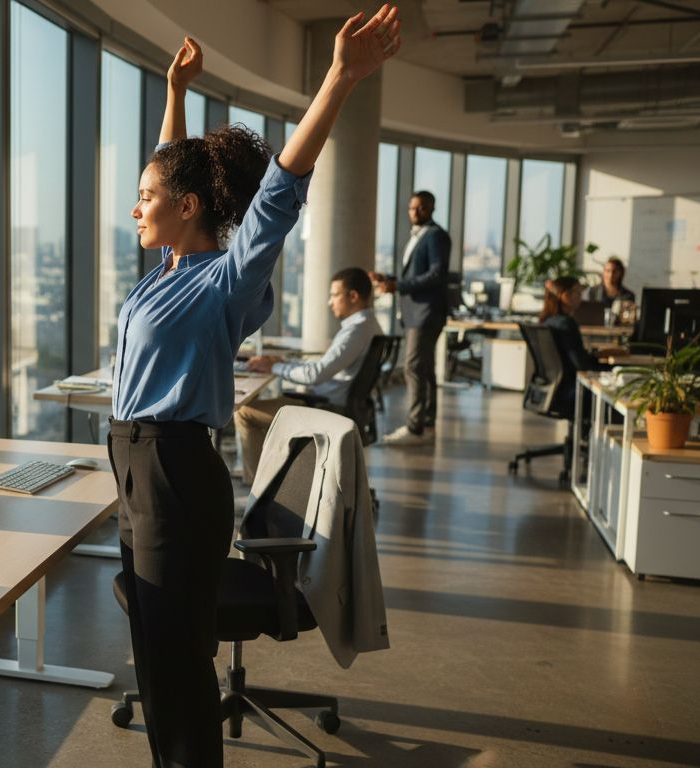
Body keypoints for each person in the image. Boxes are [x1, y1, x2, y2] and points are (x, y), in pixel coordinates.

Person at [107, 7, 400, 766]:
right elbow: (176, 164)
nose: (135, 206)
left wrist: (338, 76)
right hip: (136, 470)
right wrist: (176, 91)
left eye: (146, 196)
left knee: (176, 672)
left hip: (175, 475)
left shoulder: (223, 284)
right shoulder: (169, 269)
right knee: (155, 653)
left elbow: (278, 194)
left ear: (188, 209)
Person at [234, 267, 381, 483]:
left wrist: (273, 368)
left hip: (325, 408)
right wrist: (283, 363)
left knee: (245, 413)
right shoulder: (369, 326)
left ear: (353, 296)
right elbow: (323, 366)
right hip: (335, 403)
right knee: (258, 408)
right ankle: (269, 474)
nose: (330, 302)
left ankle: (258, 486)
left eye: (334, 295)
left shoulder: (356, 330)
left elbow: (315, 375)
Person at [369, 190, 450, 446]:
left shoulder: (436, 236)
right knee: (424, 369)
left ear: (432, 208)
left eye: (421, 208)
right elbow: (417, 273)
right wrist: (390, 280)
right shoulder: (419, 236)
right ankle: (426, 423)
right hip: (417, 312)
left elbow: (437, 274)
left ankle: (415, 428)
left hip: (425, 313)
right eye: (412, 208)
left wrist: (399, 286)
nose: (415, 213)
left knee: (414, 367)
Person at [540, 276, 610, 413]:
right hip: (572, 388)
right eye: (577, 293)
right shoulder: (566, 324)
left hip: (556, 387)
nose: (580, 297)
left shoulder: (548, 321)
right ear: (564, 295)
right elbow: (582, 365)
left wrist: (595, 355)